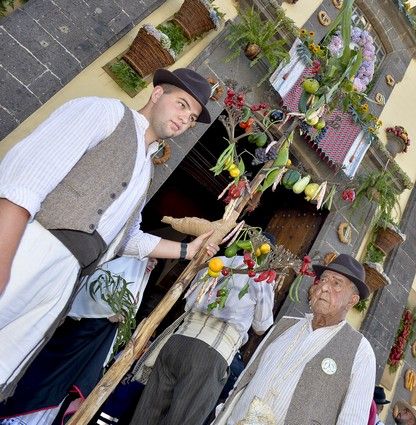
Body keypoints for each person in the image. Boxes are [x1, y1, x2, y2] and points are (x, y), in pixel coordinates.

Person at [0, 67, 216, 399]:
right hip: (29, 246)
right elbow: (25, 179)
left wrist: (188, 251)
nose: (185, 119)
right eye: (182, 104)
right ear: (157, 93)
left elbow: (125, 238)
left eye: (192, 117)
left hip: (67, 276)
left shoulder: (145, 171)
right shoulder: (104, 113)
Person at [213, 253, 376, 425]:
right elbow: (247, 376)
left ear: (352, 300)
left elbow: (352, 420)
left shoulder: (360, 351)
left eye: (336, 283)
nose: (324, 287)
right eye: (323, 280)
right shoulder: (284, 326)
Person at [0, 256, 156, 423]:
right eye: (151, 259)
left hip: (73, 365)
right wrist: (104, 312)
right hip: (64, 353)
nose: (154, 264)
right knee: (40, 388)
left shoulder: (125, 292)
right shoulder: (105, 276)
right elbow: (84, 304)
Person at [130, 246, 275, 425]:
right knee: (183, 420)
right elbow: (262, 326)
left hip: (178, 341)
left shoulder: (216, 262)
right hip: (211, 353)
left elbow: (188, 302)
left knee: (147, 413)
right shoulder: (262, 277)